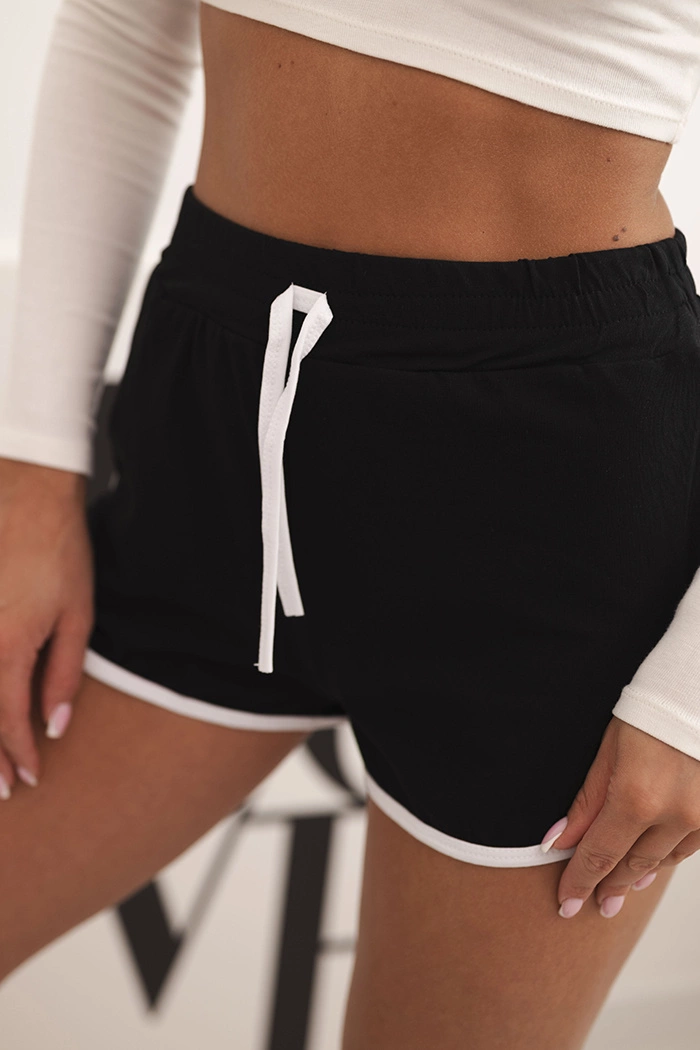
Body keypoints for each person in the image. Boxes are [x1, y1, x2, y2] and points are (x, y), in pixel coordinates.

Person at [1, 0, 700, 1045]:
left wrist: (692, 695)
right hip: (207, 420)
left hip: (544, 487)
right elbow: (124, 25)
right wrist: (32, 473)